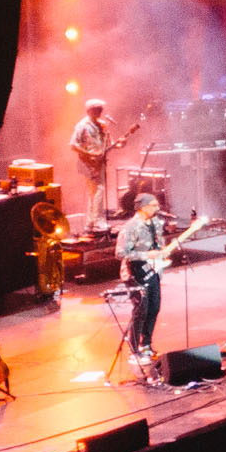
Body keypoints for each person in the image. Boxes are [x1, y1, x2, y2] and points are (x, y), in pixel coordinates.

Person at [115, 192, 172, 373]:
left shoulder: (155, 223)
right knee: (141, 310)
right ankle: (134, 350)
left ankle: (146, 345)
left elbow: (158, 246)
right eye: (154, 205)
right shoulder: (131, 227)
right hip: (134, 273)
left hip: (153, 271)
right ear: (143, 207)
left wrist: (162, 252)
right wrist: (146, 255)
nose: (157, 208)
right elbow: (120, 253)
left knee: (154, 307)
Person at [66, 99, 118, 233]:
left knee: (94, 192)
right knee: (99, 189)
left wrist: (121, 143)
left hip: (98, 163)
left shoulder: (102, 125)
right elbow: (73, 145)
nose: (100, 112)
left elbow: (109, 145)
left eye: (101, 109)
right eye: (97, 109)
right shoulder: (82, 125)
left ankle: (90, 222)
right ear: (89, 110)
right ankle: (98, 221)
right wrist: (89, 155)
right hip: (87, 163)